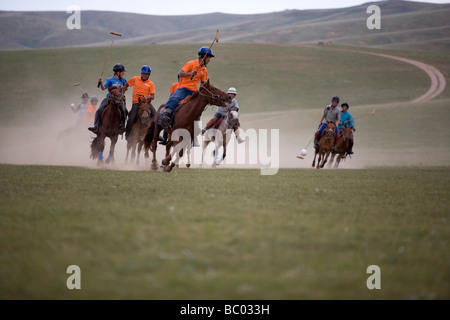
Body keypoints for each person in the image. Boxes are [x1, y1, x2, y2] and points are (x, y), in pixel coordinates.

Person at [158, 46, 214, 136]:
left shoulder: (204, 70)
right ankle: (165, 116)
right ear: (203, 57)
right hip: (184, 88)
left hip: (194, 91)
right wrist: (190, 73)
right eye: (209, 58)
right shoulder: (191, 64)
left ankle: (196, 128)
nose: (209, 60)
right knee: (174, 98)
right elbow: (180, 73)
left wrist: (203, 95)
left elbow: (203, 84)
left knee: (198, 108)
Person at [88, 63, 128, 133]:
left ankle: (122, 126)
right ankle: (96, 126)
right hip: (109, 99)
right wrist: (101, 83)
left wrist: (123, 88)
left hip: (119, 100)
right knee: (99, 110)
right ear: (118, 72)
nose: (123, 73)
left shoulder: (123, 80)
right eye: (122, 72)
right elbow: (103, 88)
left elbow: (126, 88)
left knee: (125, 111)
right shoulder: (109, 80)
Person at [122, 65, 157, 140]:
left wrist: (147, 97)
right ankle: (127, 134)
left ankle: (155, 135)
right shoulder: (135, 79)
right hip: (136, 102)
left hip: (147, 103)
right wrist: (122, 94)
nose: (144, 75)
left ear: (149, 75)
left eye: (146, 74)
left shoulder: (151, 84)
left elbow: (152, 96)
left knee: (156, 116)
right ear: (141, 73)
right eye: (143, 73)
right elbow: (126, 85)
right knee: (132, 117)